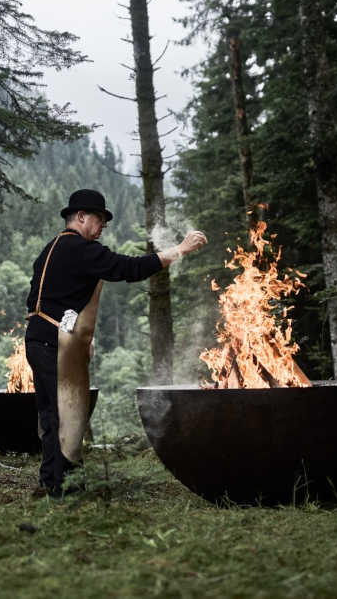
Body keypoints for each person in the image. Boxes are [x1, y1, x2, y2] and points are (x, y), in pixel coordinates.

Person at [24, 189, 207, 497]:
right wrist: (180, 250)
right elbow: (129, 268)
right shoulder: (82, 250)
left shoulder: (50, 248)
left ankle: (49, 484)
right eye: (99, 218)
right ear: (80, 217)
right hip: (55, 345)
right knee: (68, 417)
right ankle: (66, 493)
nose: (104, 225)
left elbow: (35, 298)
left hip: (36, 339)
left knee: (49, 416)